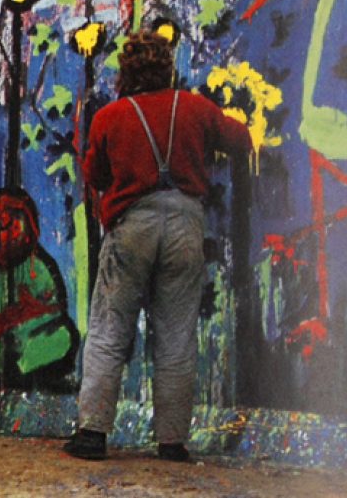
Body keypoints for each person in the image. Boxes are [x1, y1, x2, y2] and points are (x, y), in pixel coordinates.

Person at [65, 29, 252, 462]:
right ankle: (171, 441)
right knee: (176, 334)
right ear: (169, 68)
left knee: (111, 328)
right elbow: (240, 141)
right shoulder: (195, 109)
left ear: (125, 73)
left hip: (131, 226)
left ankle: (92, 433)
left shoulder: (110, 117)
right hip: (186, 223)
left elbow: (93, 175)